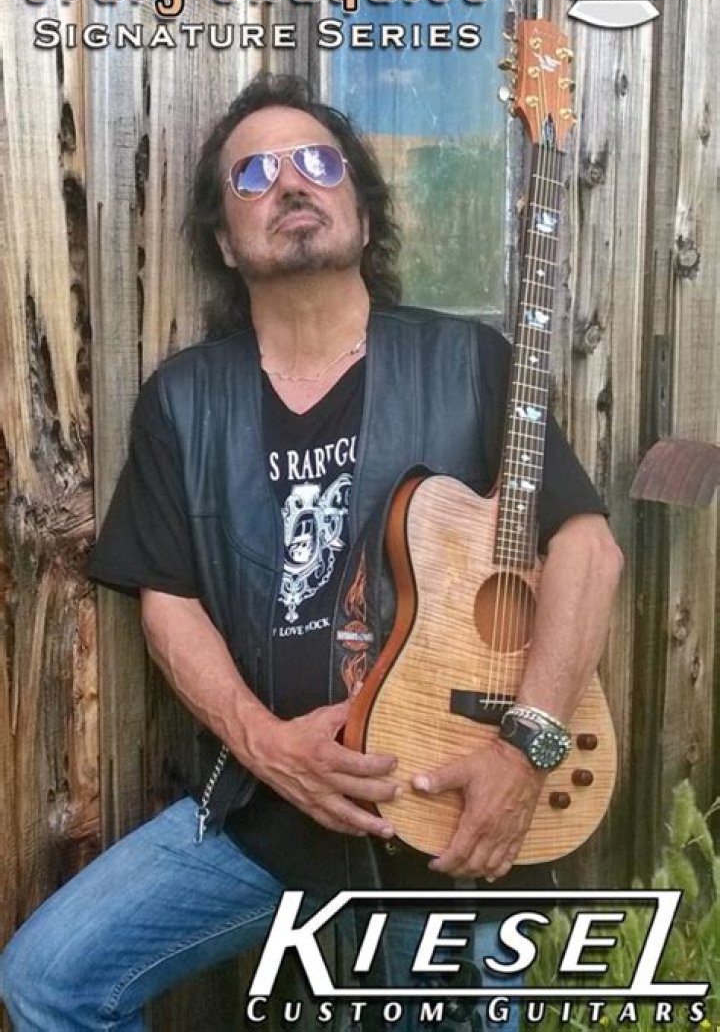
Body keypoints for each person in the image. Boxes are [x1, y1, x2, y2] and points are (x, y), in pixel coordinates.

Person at [0, 73, 623, 1031]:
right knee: (49, 978)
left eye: (317, 163)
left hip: (450, 806)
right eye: (252, 174)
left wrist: (525, 746)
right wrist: (265, 744)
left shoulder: (468, 362)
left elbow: (586, 546)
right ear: (225, 239)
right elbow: (167, 596)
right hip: (267, 809)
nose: (289, 182)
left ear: (362, 217)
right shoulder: (183, 400)